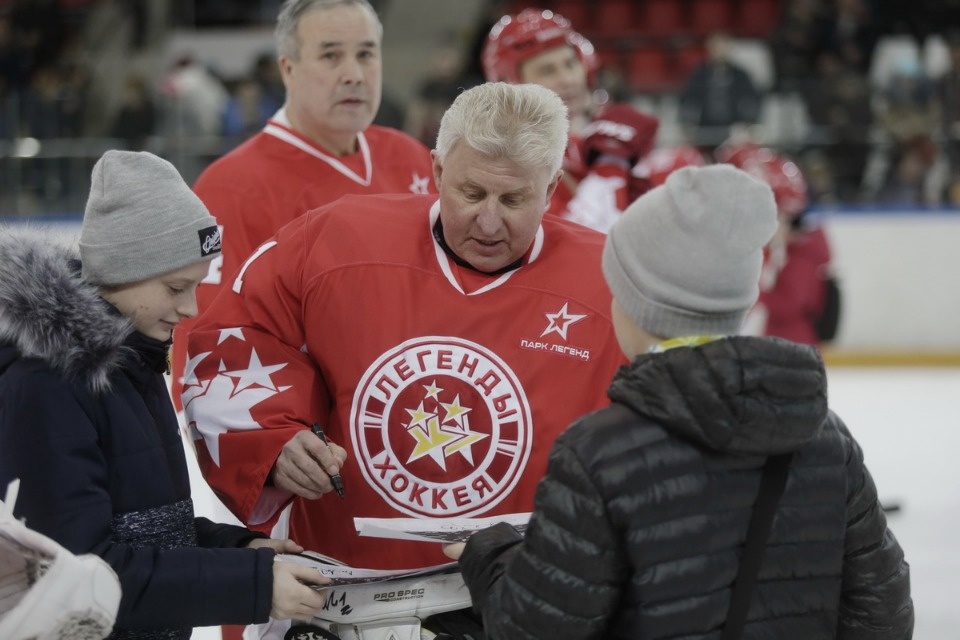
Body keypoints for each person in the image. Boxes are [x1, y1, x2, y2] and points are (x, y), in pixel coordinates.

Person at [442, 164, 914, 639]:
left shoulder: (599, 454)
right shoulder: (826, 438)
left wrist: (490, 556)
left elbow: (536, 631)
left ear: (636, 304)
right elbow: (884, 616)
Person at [182, 81, 626, 577]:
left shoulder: (612, 283)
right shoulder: (333, 241)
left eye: (514, 199)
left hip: (533, 590)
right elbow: (230, 342)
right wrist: (272, 438)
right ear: (437, 170)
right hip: (348, 584)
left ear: (550, 188)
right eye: (471, 193)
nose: (488, 222)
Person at [0, 151, 331, 640]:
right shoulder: (46, 385)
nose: (191, 307)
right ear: (123, 269)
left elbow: (149, 528)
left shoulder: (135, 359)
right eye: (176, 287)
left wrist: (240, 551)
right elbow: (79, 575)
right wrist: (253, 584)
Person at [169, 0, 436, 407]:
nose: (354, 74)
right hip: (313, 430)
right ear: (288, 69)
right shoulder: (232, 187)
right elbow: (204, 355)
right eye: (331, 56)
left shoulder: (410, 158)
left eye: (366, 54)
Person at [482, 6, 660, 231]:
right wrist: (610, 164)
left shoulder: (604, 132)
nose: (568, 79)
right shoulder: (504, 162)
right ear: (512, 85)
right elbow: (586, 239)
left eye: (570, 64)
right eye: (547, 70)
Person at [717, 141, 841, 345]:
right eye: (778, 216)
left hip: (787, 346)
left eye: (783, 218)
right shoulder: (765, 255)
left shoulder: (797, 256)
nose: (780, 227)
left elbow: (786, 304)